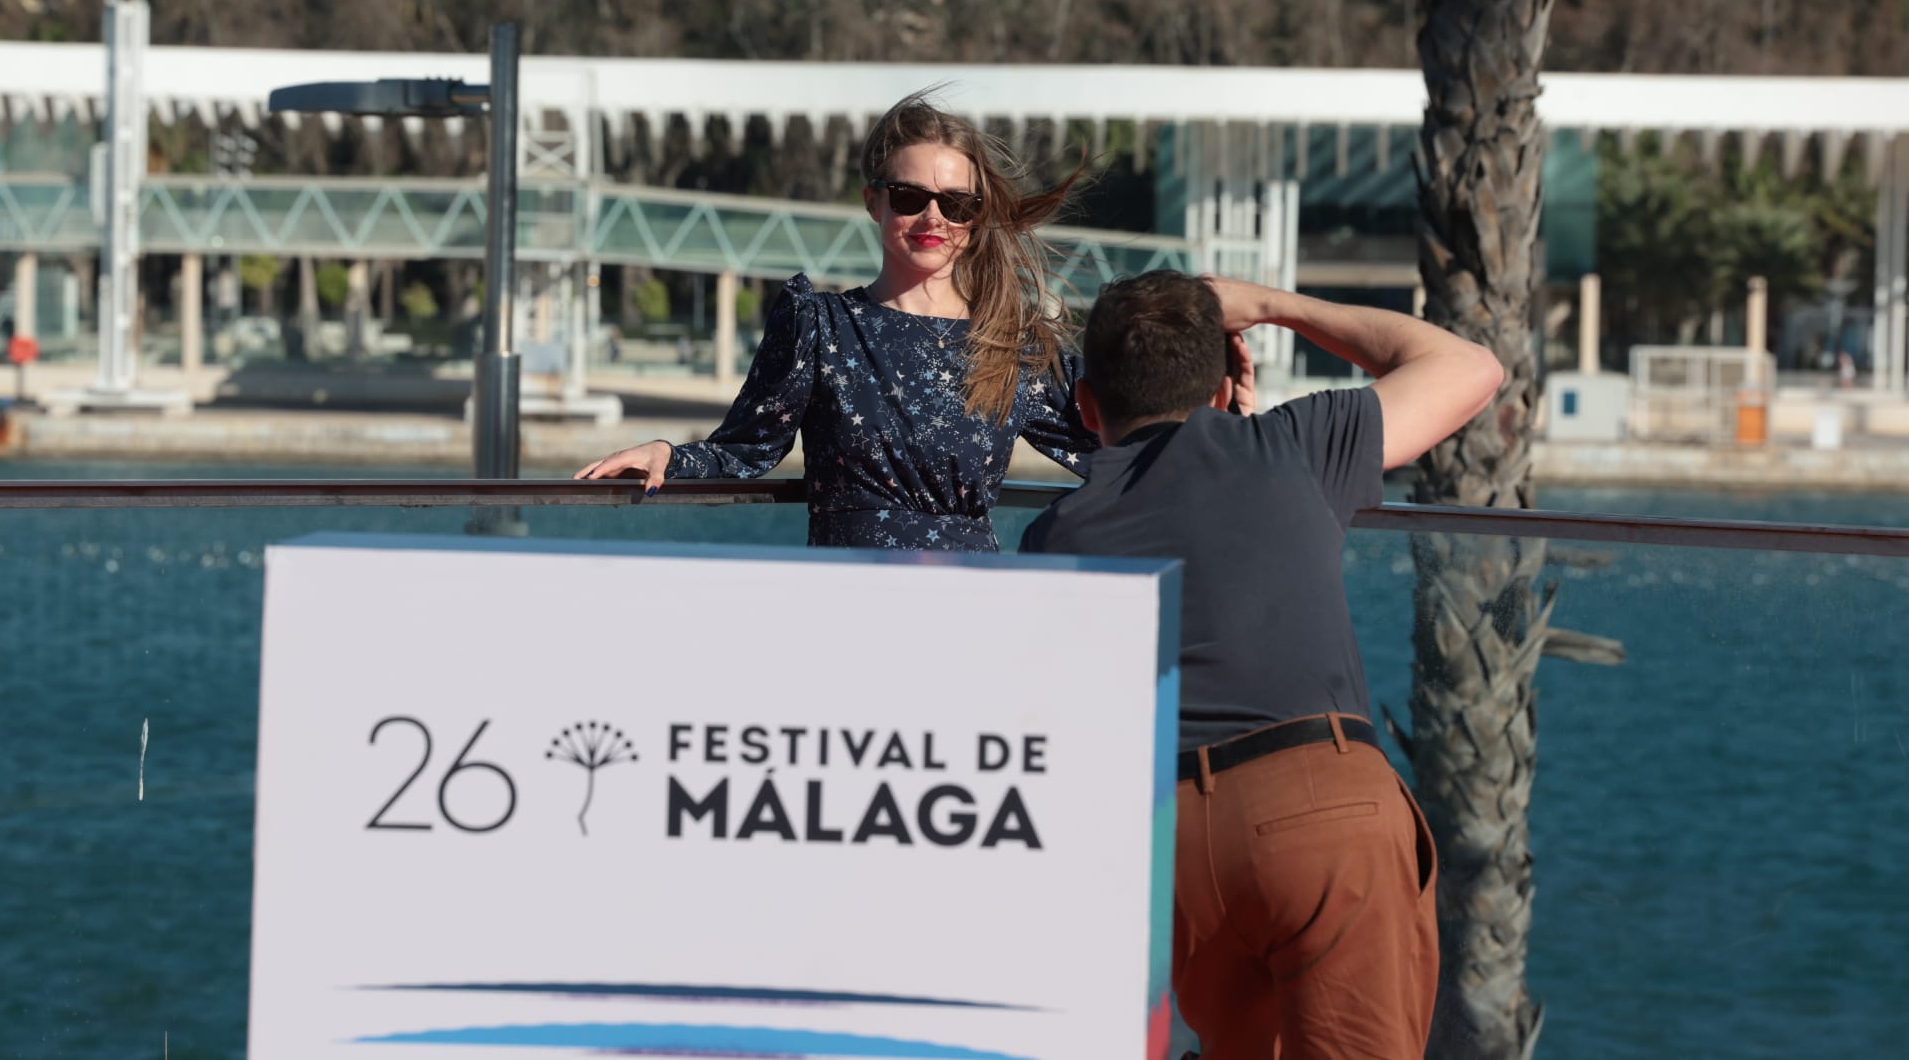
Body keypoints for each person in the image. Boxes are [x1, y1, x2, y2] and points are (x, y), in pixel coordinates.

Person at [1019, 271, 1502, 1060]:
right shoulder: (1289, 446)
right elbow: (1470, 369)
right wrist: (1282, 306)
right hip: (1317, 813)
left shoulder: (1056, 532)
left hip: (1171, 847)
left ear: (1088, 409)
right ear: (1219, 389)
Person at [574, 93, 1102, 550]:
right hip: (845, 593)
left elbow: (1118, 435)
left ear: (977, 215)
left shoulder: (1012, 345)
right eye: (910, 197)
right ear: (873, 201)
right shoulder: (818, 326)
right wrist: (667, 454)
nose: (934, 219)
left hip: (967, 602)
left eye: (958, 204)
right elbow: (746, 448)